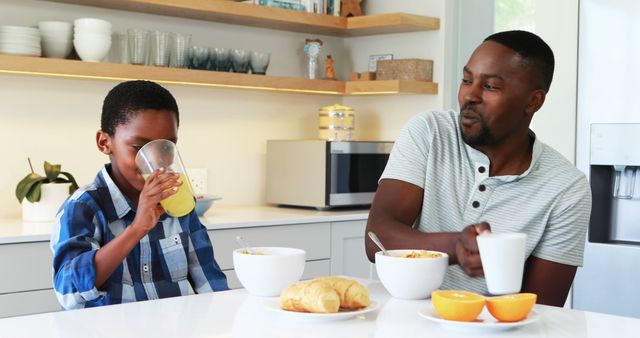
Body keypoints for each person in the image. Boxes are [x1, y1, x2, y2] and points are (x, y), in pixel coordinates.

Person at [365, 30, 592, 307]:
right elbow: (376, 238)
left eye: (490, 87)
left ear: (533, 101)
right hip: (407, 319)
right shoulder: (429, 132)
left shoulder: (566, 188)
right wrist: (456, 246)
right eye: (467, 80)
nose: (469, 96)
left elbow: (543, 310)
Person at [51, 80, 228, 309]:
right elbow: (69, 293)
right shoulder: (83, 208)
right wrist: (136, 229)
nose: (155, 160)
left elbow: (211, 284)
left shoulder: (176, 202)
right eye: (138, 147)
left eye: (165, 147)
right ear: (105, 143)